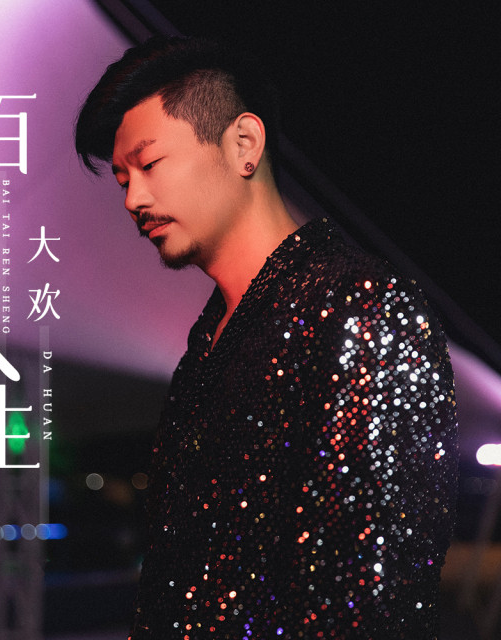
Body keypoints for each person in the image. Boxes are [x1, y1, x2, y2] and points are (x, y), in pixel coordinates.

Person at [75, 36, 458, 640]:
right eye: (123, 178)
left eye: (149, 165)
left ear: (243, 144)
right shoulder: (209, 338)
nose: (133, 199)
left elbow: (377, 591)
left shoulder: (360, 306)